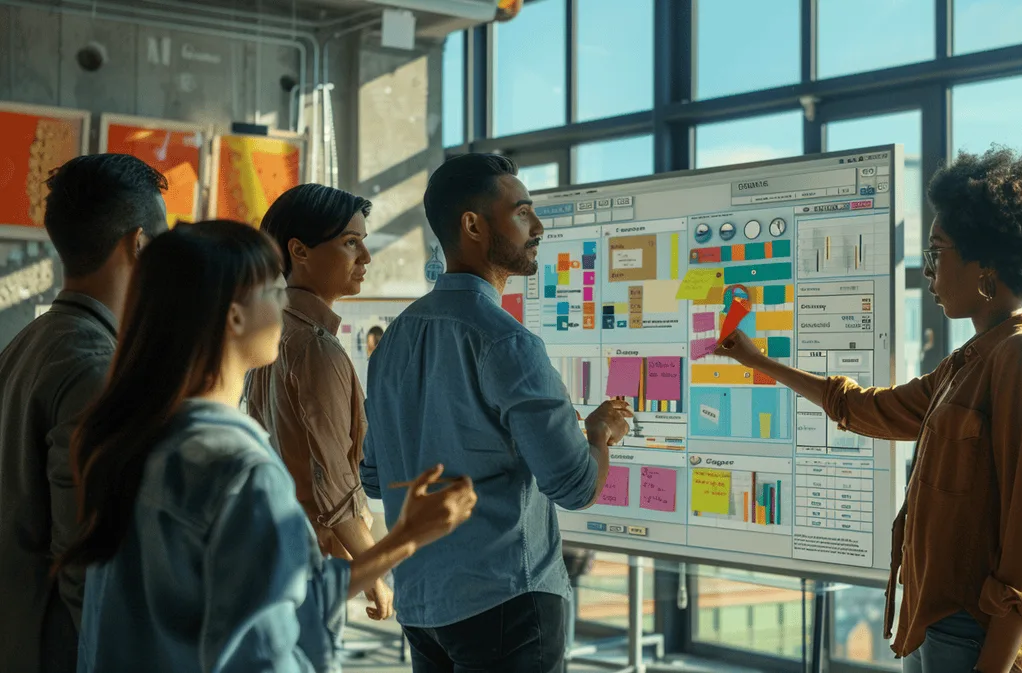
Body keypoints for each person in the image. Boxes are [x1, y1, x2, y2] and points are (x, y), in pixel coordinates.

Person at [717, 147, 1022, 673]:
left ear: (986, 269)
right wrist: (761, 362)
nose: (929, 271)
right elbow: (862, 408)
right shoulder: (967, 363)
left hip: (979, 639)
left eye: (938, 253)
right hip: (934, 627)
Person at [57, 220, 477, 672]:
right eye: (275, 293)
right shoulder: (240, 470)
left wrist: (403, 539)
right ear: (233, 316)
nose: (285, 308)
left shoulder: (135, 441)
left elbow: (271, 596)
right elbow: (266, 651)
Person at [361, 153, 633, 673]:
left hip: (421, 607)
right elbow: (576, 486)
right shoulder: (507, 342)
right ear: (473, 225)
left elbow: (373, 477)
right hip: (507, 604)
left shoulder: (392, 342)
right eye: (523, 212)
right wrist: (600, 433)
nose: (538, 226)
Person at [0, 154, 168, 673]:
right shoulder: (97, 367)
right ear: (138, 244)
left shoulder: (28, 342)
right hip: (65, 651)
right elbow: (87, 564)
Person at [244, 183, 391, 624]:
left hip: (273, 549)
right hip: (310, 562)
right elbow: (335, 486)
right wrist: (375, 576)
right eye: (350, 243)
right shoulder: (315, 347)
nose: (364, 257)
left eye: (363, 243)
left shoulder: (267, 333)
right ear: (299, 250)